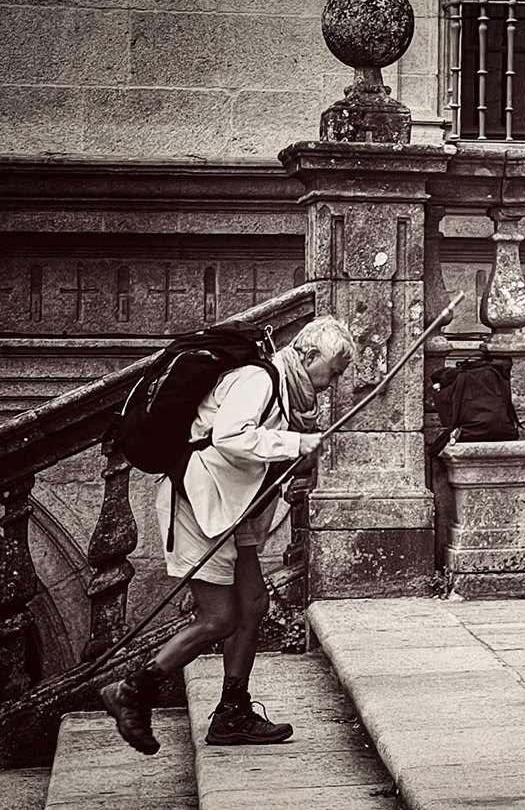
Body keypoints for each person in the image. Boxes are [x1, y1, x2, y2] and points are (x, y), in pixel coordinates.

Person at [101, 316, 352, 754]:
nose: (332, 383)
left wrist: (293, 454)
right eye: (333, 370)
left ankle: (232, 712)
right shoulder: (258, 379)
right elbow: (230, 438)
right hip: (200, 505)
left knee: (253, 604)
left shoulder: (282, 392)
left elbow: (250, 454)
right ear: (310, 356)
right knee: (218, 619)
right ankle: (132, 690)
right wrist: (293, 445)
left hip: (233, 512)